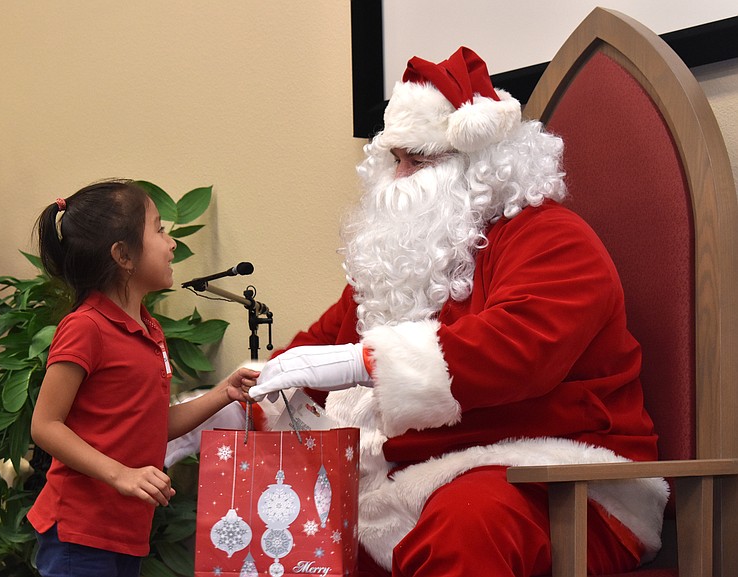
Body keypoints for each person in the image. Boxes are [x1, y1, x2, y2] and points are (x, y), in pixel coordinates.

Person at [249, 47, 669, 577]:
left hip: (556, 476)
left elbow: (519, 348)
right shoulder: (404, 257)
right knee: (292, 531)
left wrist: (365, 364)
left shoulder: (554, 238)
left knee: (467, 525)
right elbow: (317, 345)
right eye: (394, 159)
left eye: (417, 161)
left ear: (482, 166)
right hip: (412, 475)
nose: (399, 178)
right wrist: (246, 396)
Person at [26, 179, 260, 577]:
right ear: (123, 255)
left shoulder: (149, 330)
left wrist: (225, 392)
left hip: (127, 532)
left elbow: (152, 427)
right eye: (159, 229)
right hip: (80, 534)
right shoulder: (85, 327)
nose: (171, 244)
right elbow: (45, 426)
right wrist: (121, 475)